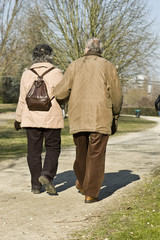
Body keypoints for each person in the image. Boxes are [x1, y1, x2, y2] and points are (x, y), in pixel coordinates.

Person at [54, 37, 123, 203]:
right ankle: (90, 192)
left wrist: (61, 97)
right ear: (100, 51)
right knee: (96, 155)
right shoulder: (108, 66)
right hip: (101, 114)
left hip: (78, 115)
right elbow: (116, 95)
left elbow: (60, 93)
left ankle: (84, 184)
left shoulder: (75, 65)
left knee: (81, 153)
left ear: (86, 49)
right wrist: (115, 113)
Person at [14, 44, 64, 194]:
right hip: (51, 118)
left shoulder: (26, 74)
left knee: (33, 151)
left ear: (34, 56)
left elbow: (22, 99)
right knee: (53, 148)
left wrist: (18, 118)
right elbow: (62, 96)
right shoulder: (57, 73)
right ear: (50, 55)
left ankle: (36, 185)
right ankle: (47, 174)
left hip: (31, 118)